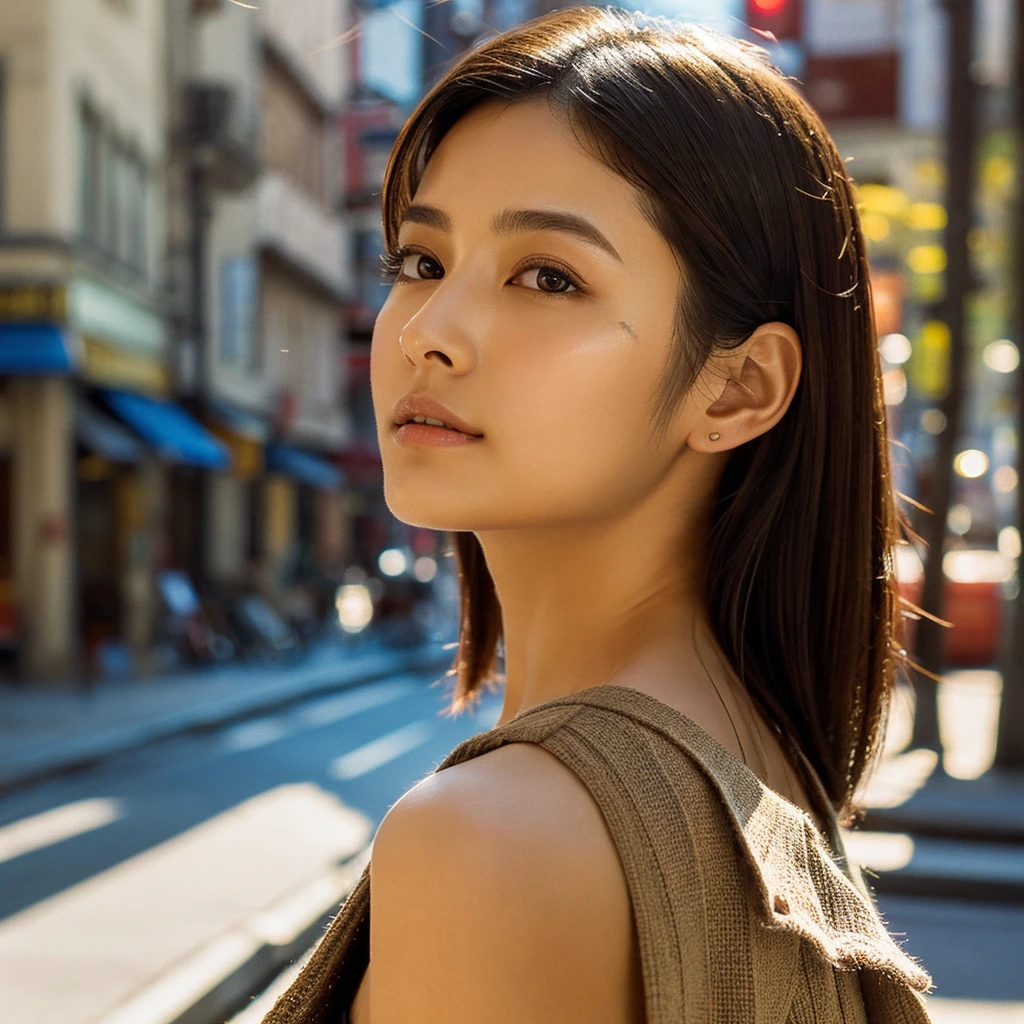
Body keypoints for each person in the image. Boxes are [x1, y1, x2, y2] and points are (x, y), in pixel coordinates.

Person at [262, 6, 933, 1022]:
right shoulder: (750, 767)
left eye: (547, 276)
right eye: (420, 261)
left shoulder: (495, 840)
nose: (429, 334)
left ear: (737, 388)